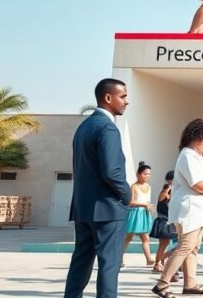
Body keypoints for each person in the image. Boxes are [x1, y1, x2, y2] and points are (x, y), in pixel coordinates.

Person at [64, 78, 131, 298]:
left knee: (81, 260)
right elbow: (112, 172)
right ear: (108, 98)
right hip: (107, 208)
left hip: (83, 208)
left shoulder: (84, 127)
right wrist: (126, 194)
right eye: (123, 96)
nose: (126, 101)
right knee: (109, 265)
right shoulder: (107, 128)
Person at [151, 118, 203, 298]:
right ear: (198, 138)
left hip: (199, 211)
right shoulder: (187, 155)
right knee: (185, 246)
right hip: (189, 210)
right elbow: (197, 183)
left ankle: (190, 283)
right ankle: (162, 284)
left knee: (193, 248)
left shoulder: (197, 157)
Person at [122, 162, 154, 266]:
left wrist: (149, 207)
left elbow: (147, 201)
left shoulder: (148, 186)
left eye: (149, 174)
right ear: (138, 174)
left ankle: (149, 259)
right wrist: (145, 205)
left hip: (144, 214)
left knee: (144, 238)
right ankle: (119, 258)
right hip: (135, 214)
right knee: (129, 237)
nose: (147, 176)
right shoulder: (134, 186)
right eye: (145, 174)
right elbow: (130, 202)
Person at [150, 171, 176, 273]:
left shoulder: (175, 192)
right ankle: (158, 263)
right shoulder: (165, 192)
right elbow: (161, 199)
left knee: (170, 244)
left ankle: (160, 262)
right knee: (164, 244)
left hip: (171, 222)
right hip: (165, 221)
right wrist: (167, 189)